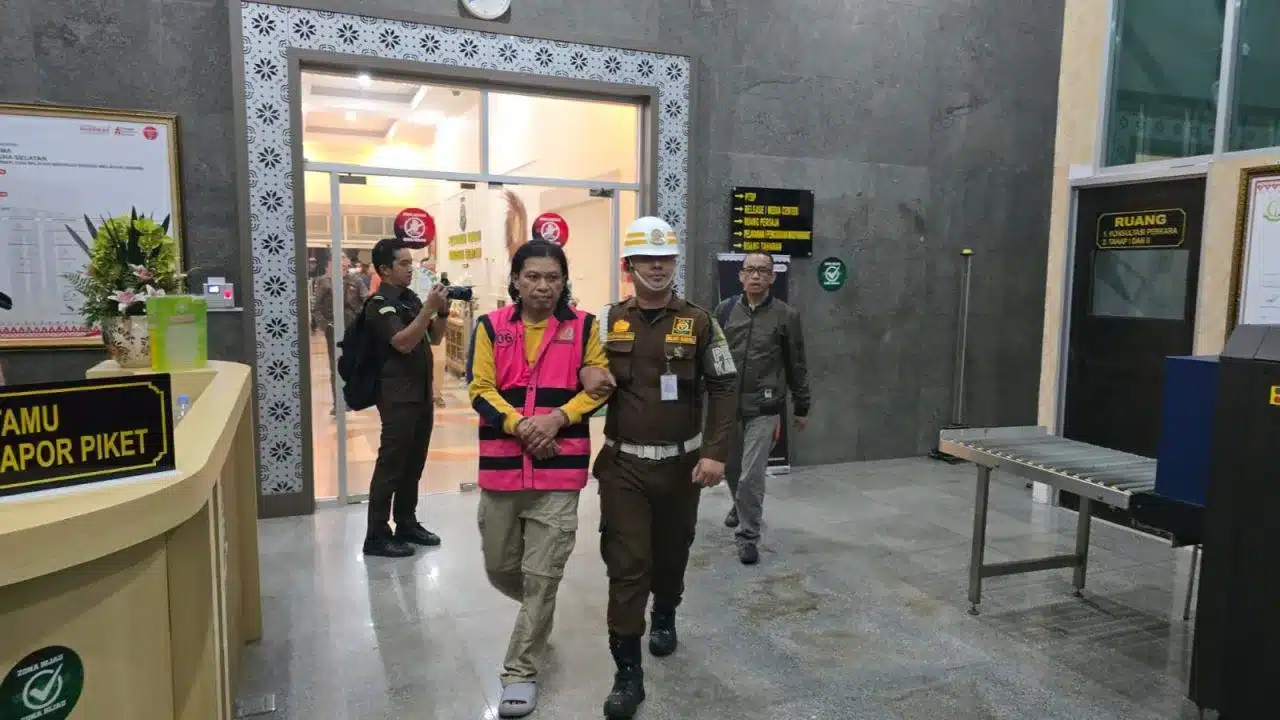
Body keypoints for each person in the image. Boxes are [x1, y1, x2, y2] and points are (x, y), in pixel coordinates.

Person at [579, 216, 737, 719]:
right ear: (628, 265)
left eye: (665, 258)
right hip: (623, 465)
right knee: (627, 564)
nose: (656, 267)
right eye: (646, 259)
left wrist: (715, 451)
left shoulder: (700, 321)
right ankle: (628, 675)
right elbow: (580, 370)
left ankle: (665, 611)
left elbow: (725, 385)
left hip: (681, 467)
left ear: (675, 263)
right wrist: (586, 370)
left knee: (671, 554)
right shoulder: (606, 320)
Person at [467, 240, 611, 718]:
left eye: (553, 277)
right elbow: (480, 389)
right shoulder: (490, 327)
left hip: (559, 472)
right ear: (516, 280)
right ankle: (538, 607)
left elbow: (599, 388)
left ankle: (520, 671)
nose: (543, 286)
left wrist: (557, 418)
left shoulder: (585, 327)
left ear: (564, 281)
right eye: (533, 276)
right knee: (499, 567)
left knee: (542, 576)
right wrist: (523, 426)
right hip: (502, 470)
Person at [715, 252, 812, 565]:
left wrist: (801, 405)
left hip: (765, 406)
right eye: (750, 270)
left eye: (763, 270)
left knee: (751, 474)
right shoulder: (724, 310)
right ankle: (739, 505)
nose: (756, 275)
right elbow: (713, 355)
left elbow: (796, 363)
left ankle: (748, 535)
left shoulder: (786, 316)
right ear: (741, 276)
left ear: (772, 277)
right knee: (731, 469)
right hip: (728, 404)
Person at [362, 237, 449, 558]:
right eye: (403, 263)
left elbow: (434, 339)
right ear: (384, 270)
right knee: (392, 465)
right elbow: (402, 342)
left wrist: (442, 312)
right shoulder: (379, 305)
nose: (410, 269)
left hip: (421, 393)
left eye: (411, 263)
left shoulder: (410, 299)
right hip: (397, 396)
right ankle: (376, 535)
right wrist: (428, 308)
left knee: (414, 463)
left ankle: (406, 522)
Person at [313, 252, 367, 415]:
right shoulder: (324, 281)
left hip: (352, 327)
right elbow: (316, 307)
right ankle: (338, 403)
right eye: (341, 265)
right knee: (335, 365)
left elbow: (366, 301)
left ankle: (349, 399)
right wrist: (325, 325)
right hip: (333, 328)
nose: (344, 268)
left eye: (345, 265)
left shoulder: (355, 281)